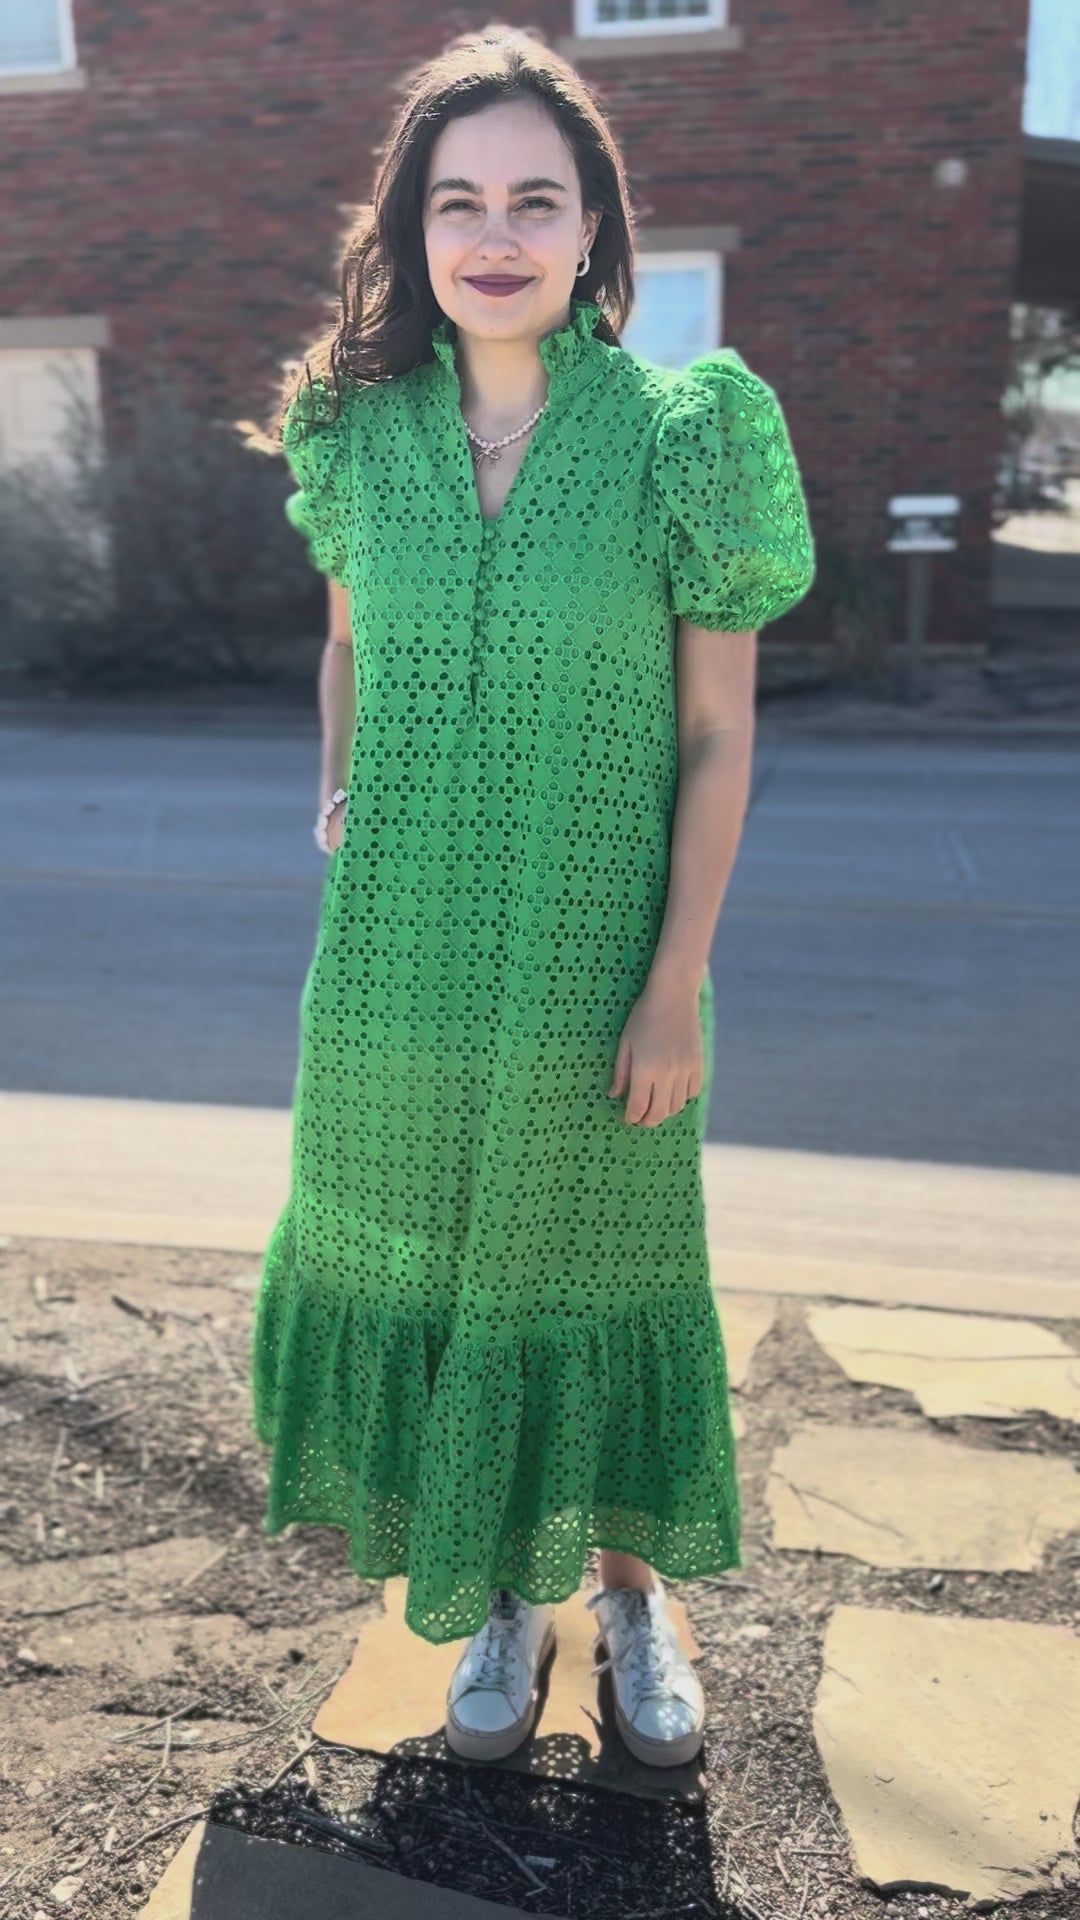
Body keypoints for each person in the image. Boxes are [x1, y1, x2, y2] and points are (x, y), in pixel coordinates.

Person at [249, 22, 814, 1771]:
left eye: (536, 200)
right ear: (412, 229)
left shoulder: (684, 437)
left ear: (593, 230)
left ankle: (635, 1593)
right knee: (431, 1272)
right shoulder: (356, 434)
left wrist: (677, 981)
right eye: (459, 200)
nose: (496, 234)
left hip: (599, 967)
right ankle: (496, 1591)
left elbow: (717, 736)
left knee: (600, 1267)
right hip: (394, 964)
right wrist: (340, 785)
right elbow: (343, 651)